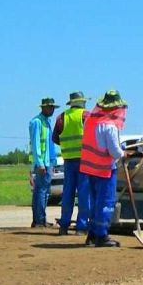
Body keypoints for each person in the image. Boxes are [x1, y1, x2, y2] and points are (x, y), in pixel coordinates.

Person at [80, 90, 128, 247]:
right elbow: (114, 151)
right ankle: (101, 235)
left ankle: (92, 234)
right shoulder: (110, 126)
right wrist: (123, 153)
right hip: (105, 170)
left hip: (90, 168)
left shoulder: (91, 121)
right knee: (106, 203)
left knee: (95, 202)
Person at [53, 91, 91, 236]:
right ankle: (81, 227)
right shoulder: (86, 116)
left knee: (68, 193)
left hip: (68, 160)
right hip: (84, 159)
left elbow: (55, 138)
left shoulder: (62, 117)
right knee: (83, 194)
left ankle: (64, 225)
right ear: (82, 102)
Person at [29, 98, 59, 227]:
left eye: (53, 107)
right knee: (42, 191)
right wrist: (40, 163)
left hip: (49, 161)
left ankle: (40, 219)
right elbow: (36, 145)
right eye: (49, 107)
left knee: (43, 191)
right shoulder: (37, 122)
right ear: (43, 108)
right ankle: (40, 220)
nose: (52, 110)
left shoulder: (47, 122)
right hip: (43, 163)